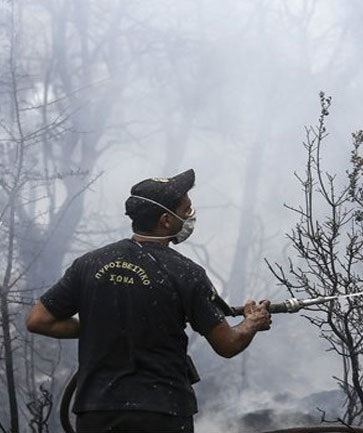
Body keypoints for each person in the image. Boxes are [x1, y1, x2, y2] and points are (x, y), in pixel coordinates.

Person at [26, 168, 272, 433]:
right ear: (166, 220)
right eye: (186, 209)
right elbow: (227, 344)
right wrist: (252, 322)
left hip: (97, 412)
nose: (190, 215)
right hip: (161, 413)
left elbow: (39, 321)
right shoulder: (187, 273)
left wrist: (103, 324)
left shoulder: (89, 264)